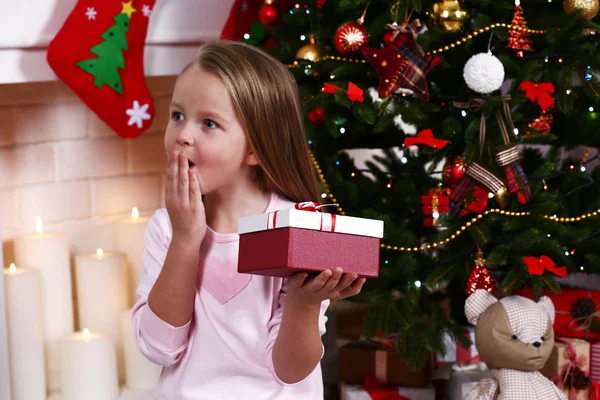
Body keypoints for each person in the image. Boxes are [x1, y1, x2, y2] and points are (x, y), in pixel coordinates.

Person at [131, 40, 366, 399]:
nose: (183, 135)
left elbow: (289, 371)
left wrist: (304, 303)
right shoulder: (167, 228)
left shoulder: (296, 228)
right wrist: (185, 240)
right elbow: (159, 348)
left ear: (255, 148)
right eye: (177, 115)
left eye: (209, 123)